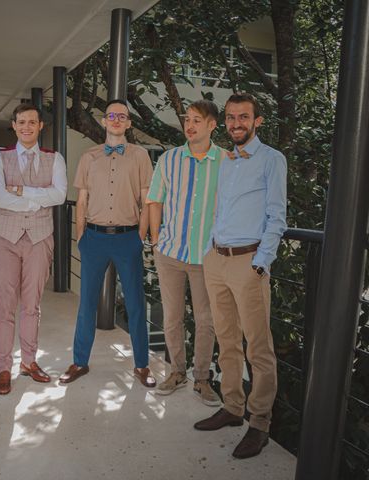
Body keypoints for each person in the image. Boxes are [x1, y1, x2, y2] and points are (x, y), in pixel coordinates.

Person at [193, 92, 287, 459]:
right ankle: (232, 407)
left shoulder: (272, 160)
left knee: (258, 348)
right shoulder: (226, 161)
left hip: (249, 264)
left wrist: (261, 263)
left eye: (243, 117)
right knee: (226, 340)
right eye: (231, 117)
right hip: (217, 260)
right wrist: (208, 250)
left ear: (257, 121)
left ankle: (260, 422)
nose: (236, 123)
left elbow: (277, 216)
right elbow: (218, 211)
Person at [59, 99, 156, 388]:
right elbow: (83, 200)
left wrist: (140, 237)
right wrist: (81, 237)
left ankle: (141, 366)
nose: (115, 120)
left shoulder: (140, 156)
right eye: (111, 115)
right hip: (94, 239)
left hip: (128, 238)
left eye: (122, 116)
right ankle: (79, 362)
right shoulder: (88, 157)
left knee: (136, 304)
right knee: (86, 303)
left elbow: (146, 199)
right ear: (104, 121)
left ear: (128, 123)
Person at [147, 99, 226, 406]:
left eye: (197, 120)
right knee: (172, 317)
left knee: (207, 320)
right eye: (187, 119)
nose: (190, 125)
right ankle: (177, 371)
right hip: (170, 253)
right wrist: (156, 242)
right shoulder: (168, 159)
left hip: (207, 256)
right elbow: (155, 200)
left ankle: (202, 379)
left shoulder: (227, 161)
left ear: (211, 125)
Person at [0, 103, 67, 395]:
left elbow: (59, 195)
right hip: (6, 239)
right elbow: (0, 198)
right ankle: (4, 367)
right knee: (5, 305)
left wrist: (21, 191)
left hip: (40, 238)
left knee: (32, 305)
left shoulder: (54, 158)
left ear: (40, 126)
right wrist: (38, 198)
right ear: (14, 124)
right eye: (21, 122)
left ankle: (29, 362)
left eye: (32, 122)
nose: (27, 127)